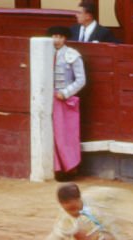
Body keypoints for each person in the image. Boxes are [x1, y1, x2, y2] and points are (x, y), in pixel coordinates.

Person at [48, 25, 86, 182]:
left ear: (65, 38)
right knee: (53, 134)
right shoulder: (45, 53)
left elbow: (81, 79)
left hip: (65, 100)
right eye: (54, 36)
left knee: (66, 135)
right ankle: (56, 168)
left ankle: (70, 168)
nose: (56, 39)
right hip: (48, 100)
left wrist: (65, 93)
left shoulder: (72, 55)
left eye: (59, 36)